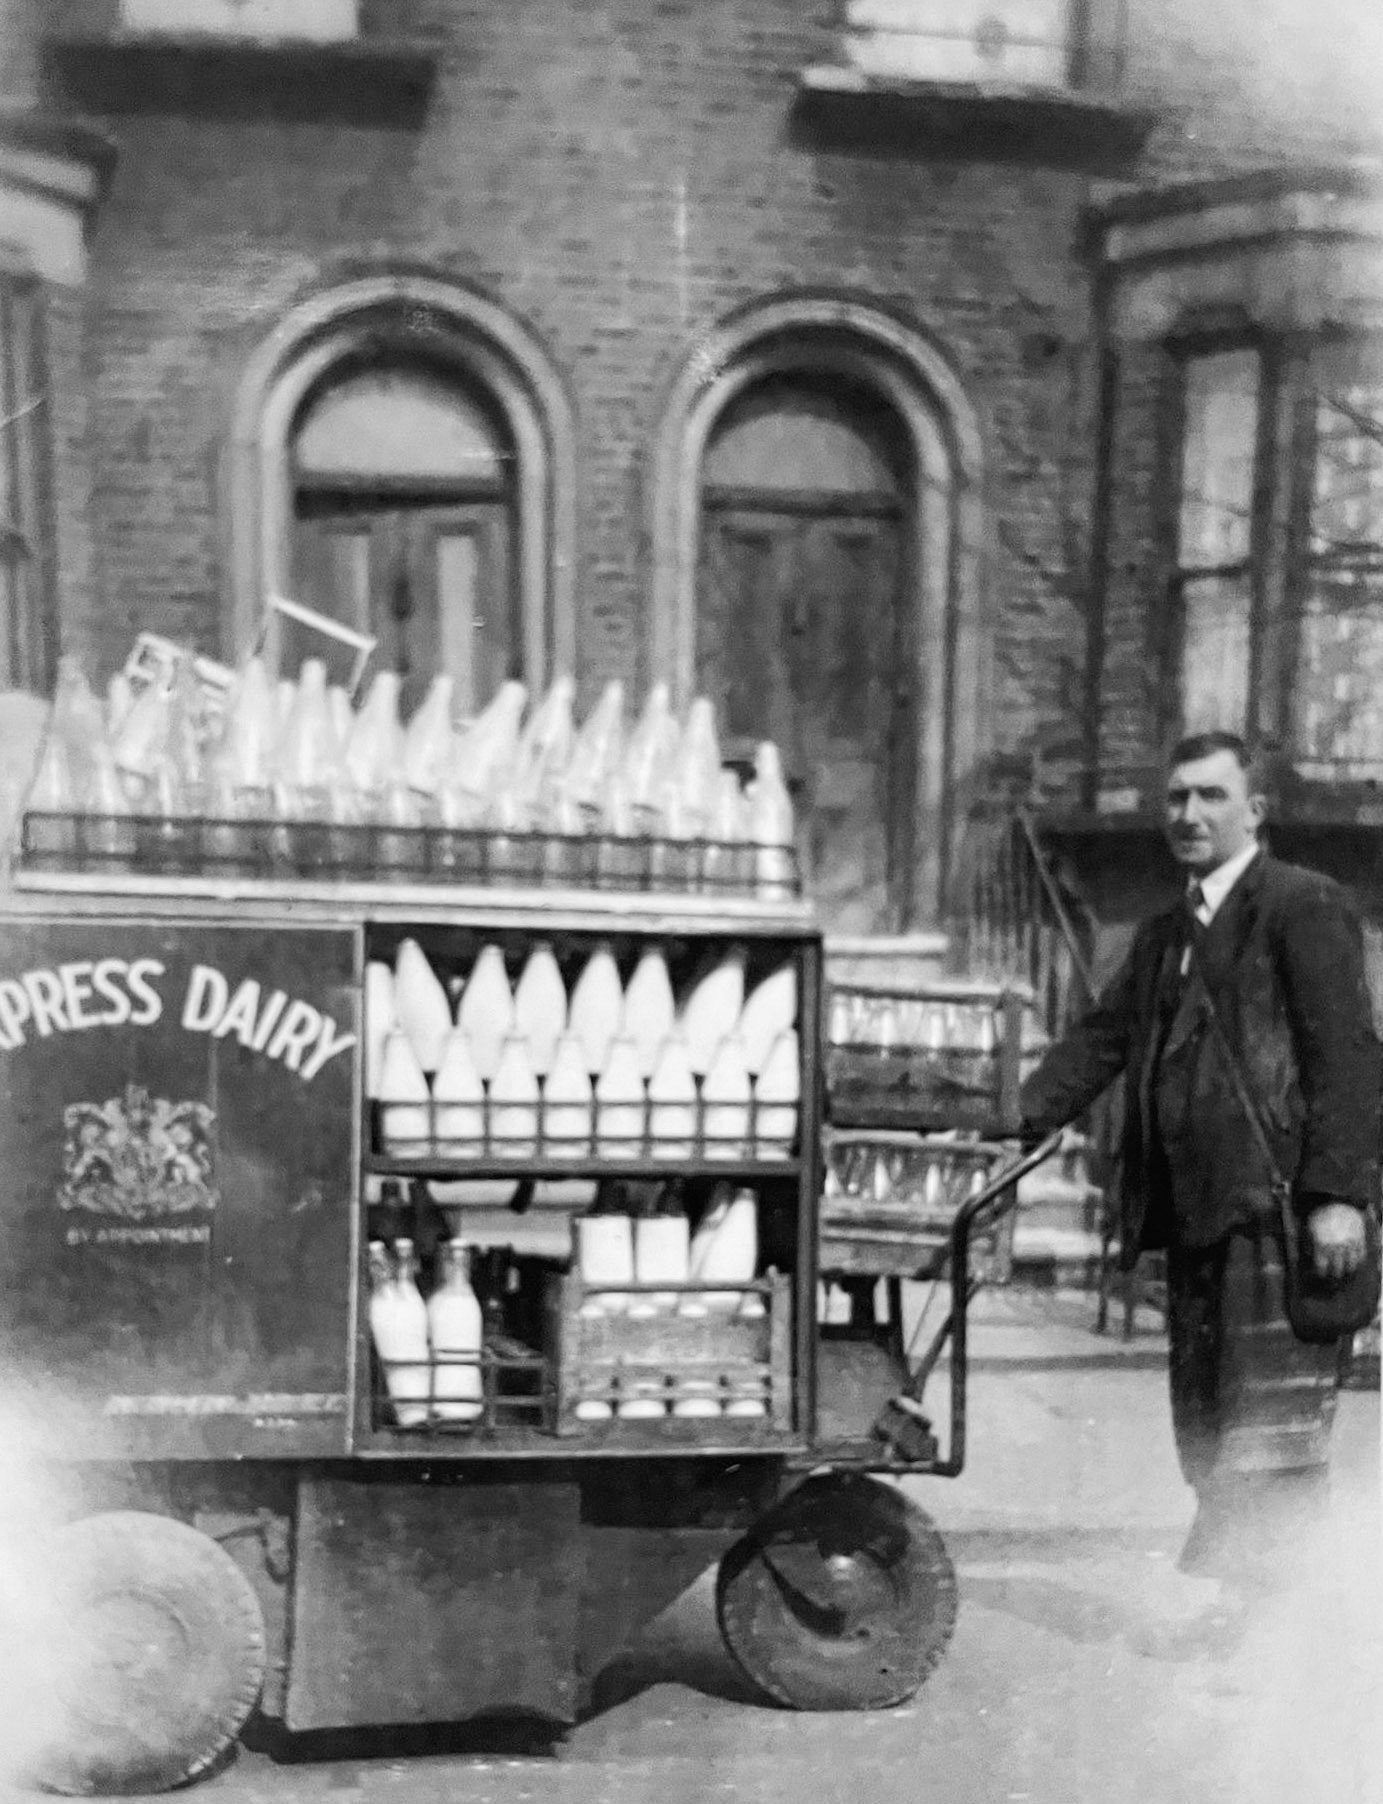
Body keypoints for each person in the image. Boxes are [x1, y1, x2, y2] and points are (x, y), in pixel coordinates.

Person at [1019, 730, 1379, 1655]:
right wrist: (1000, 1124)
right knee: (1212, 1421)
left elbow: (1347, 1059)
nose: (1187, 815)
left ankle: (1282, 1629)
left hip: (1275, 1217)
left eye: (1210, 797)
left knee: (1274, 1433)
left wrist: (1336, 1192)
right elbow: (1100, 1044)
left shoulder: (1303, 908)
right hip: (1196, 1217)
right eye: (1175, 798)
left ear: (1253, 810)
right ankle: (1252, 1610)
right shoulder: (1166, 933)